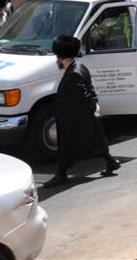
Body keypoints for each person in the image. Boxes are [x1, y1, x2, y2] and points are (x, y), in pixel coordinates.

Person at [44, 35, 120, 188]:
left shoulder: (73, 73)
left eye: (57, 57)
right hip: (79, 116)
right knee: (95, 141)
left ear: (62, 57)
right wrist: (94, 104)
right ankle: (111, 162)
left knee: (67, 148)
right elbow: (90, 90)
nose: (56, 60)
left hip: (73, 119)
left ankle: (62, 174)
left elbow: (84, 95)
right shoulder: (80, 66)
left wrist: (93, 106)